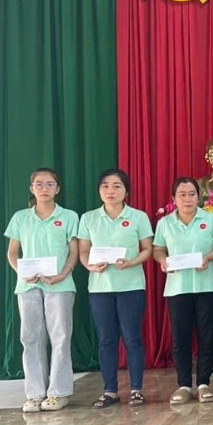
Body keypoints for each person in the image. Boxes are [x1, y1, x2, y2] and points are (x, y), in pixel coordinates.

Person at [5, 168, 79, 413]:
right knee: (30, 338)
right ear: (31, 189)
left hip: (60, 284)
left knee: (60, 337)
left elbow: (74, 251)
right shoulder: (20, 218)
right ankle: (35, 393)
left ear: (57, 189)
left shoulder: (68, 216)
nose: (44, 188)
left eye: (49, 184)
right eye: (39, 184)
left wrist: (64, 272)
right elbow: (13, 252)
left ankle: (58, 393)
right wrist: (21, 271)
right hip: (28, 285)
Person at [78, 168, 154, 408]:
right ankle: (110, 390)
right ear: (99, 190)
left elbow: (148, 249)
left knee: (132, 338)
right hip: (100, 287)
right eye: (105, 186)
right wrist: (90, 266)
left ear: (126, 191)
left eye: (117, 186)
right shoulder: (89, 218)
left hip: (131, 285)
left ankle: (136, 389)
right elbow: (82, 251)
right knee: (106, 340)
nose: (111, 191)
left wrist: (131, 262)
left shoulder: (138, 217)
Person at [152, 177, 213, 404]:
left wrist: (208, 257)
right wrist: (163, 261)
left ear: (198, 196)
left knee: (207, 336)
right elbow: (157, 249)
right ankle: (183, 384)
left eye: (191, 193)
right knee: (180, 338)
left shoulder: (211, 220)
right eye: (182, 194)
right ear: (174, 198)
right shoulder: (165, 223)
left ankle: (203, 383)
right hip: (177, 287)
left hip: (207, 286)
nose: (187, 198)